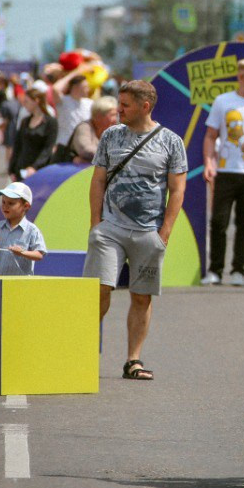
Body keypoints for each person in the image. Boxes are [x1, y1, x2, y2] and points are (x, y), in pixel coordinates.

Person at [85, 80, 188, 381]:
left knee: (141, 297)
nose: (119, 109)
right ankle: (84, 353)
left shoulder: (171, 141)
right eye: (119, 103)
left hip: (148, 233)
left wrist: (164, 233)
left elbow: (177, 190)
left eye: (125, 105)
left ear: (145, 106)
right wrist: (96, 225)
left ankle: (133, 360)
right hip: (110, 229)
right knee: (99, 290)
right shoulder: (110, 136)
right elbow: (98, 181)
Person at [202, 59, 244, 286]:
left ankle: (238, 270)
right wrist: (209, 163)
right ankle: (215, 270)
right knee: (219, 222)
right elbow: (211, 135)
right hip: (226, 169)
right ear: (241, 78)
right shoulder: (223, 101)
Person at [0, 181, 47, 276]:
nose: (5, 206)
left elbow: (39, 255)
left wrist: (22, 252)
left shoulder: (32, 230)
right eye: (3, 202)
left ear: (25, 206)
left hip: (20, 283)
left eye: (11, 203)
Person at [7, 83, 58, 181]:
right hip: (21, 168)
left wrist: (35, 167)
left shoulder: (50, 122)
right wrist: (12, 169)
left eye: (27, 101)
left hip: (40, 170)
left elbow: (48, 148)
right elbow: (18, 146)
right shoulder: (25, 121)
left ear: (36, 101)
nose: (24, 105)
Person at [51, 74, 93, 162]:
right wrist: (77, 71)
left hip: (82, 148)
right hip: (64, 148)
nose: (88, 89)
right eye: (85, 87)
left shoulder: (90, 104)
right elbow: (55, 88)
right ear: (76, 87)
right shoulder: (63, 101)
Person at [69, 96, 119, 164]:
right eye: (112, 115)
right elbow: (85, 150)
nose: (115, 120)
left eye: (116, 115)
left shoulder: (113, 131)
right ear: (99, 116)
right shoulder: (84, 127)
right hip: (74, 172)